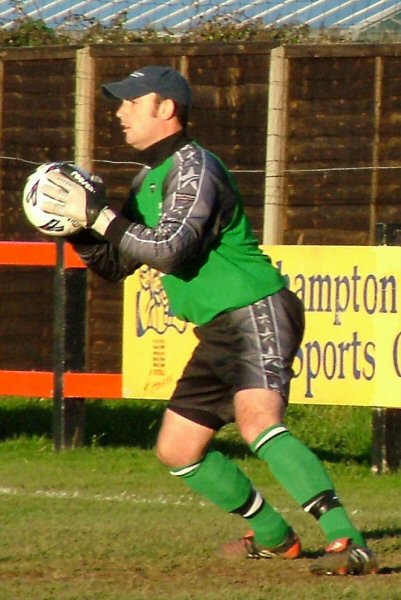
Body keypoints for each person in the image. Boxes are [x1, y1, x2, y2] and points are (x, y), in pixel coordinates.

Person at [41, 65, 378, 576]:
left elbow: (172, 249)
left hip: (254, 306)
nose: (119, 111)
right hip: (217, 327)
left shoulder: (195, 166)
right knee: (177, 449)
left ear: (167, 108)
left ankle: (347, 539)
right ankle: (273, 537)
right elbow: (116, 264)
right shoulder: (147, 179)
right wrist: (74, 225)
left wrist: (100, 216)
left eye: (132, 101)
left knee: (258, 421)